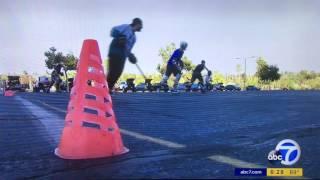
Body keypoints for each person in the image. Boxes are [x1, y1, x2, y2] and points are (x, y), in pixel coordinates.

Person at [107, 18, 143, 92]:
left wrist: (131, 56)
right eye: (140, 25)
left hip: (122, 56)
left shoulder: (134, 38)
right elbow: (112, 31)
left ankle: (109, 88)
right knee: (112, 71)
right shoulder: (125, 27)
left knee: (118, 72)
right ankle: (106, 87)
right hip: (114, 51)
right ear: (137, 24)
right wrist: (120, 36)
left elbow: (128, 50)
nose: (141, 27)